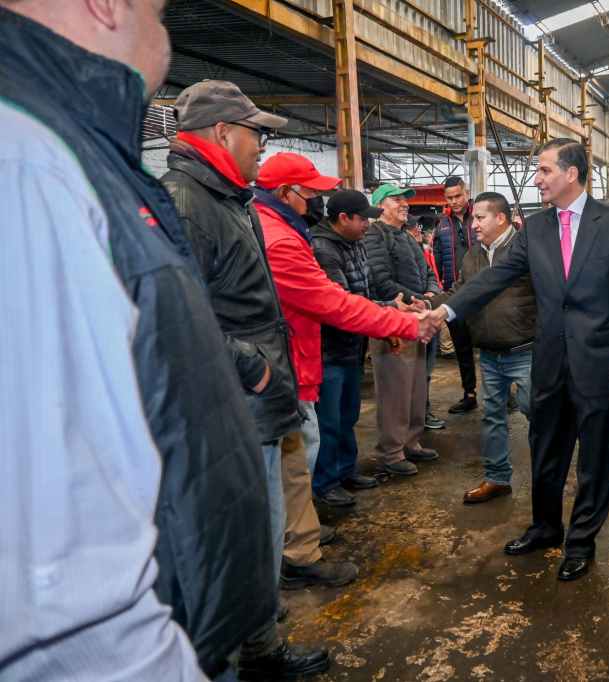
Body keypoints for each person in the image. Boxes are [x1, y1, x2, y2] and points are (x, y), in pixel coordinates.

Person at [0, 3, 269, 679]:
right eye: (157, 10)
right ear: (106, 5)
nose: (165, 34)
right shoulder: (27, 164)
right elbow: (58, 578)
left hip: (184, 603)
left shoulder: (82, 153)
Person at [161, 80, 330, 678]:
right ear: (222, 133)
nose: (261, 145)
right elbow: (176, 311)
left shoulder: (228, 199)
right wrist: (251, 366)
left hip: (254, 398)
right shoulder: (185, 202)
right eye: (255, 133)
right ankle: (246, 655)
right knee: (243, 536)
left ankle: (261, 646)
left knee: (261, 529)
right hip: (234, 399)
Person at [430, 138, 609, 581]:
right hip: (548, 358)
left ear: (572, 173)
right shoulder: (536, 229)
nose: (538, 179)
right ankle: (546, 527)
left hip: (600, 362)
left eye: (545, 170)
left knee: (594, 458)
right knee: (545, 448)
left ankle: (581, 541)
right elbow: (496, 277)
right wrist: (446, 309)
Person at [254, 153, 430, 586]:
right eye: (311, 194)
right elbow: (332, 301)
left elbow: (357, 293)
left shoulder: (288, 230)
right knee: (305, 447)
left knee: (305, 451)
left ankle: (299, 543)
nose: (317, 201)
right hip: (291, 364)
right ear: (284, 194)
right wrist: (404, 321)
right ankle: (281, 560)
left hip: (303, 357)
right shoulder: (282, 240)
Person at [432, 192, 536, 504]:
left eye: (480, 218)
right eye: (474, 218)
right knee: (492, 417)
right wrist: (427, 304)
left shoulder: (526, 250)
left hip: (527, 351)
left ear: (501, 218)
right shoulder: (473, 256)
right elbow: (459, 292)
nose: (473, 224)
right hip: (490, 354)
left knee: (538, 414)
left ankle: (547, 476)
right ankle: (497, 478)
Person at [313, 191, 393, 502]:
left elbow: (365, 290)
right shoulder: (323, 249)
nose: (368, 225)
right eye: (363, 219)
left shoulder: (354, 243)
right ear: (343, 218)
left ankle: (345, 470)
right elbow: (342, 303)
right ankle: (324, 482)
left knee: (348, 415)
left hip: (352, 346)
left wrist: (385, 308)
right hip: (329, 349)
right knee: (329, 420)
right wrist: (387, 313)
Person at [364, 183, 442, 474]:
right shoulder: (375, 236)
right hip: (394, 320)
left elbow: (428, 272)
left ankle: (411, 441)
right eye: (397, 200)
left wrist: (432, 294)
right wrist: (420, 300)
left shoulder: (406, 237)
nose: (404, 205)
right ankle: (391, 452)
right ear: (381, 205)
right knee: (395, 389)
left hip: (418, 319)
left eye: (405, 200)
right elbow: (382, 281)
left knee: (416, 385)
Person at [434, 176, 479, 415]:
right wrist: (443, 288)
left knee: (492, 343)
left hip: (483, 292)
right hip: (455, 295)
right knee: (461, 347)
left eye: (458, 196)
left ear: (466, 192)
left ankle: (505, 393)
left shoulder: (480, 217)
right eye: (450, 198)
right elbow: (438, 259)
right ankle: (469, 393)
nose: (455, 201)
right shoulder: (441, 225)